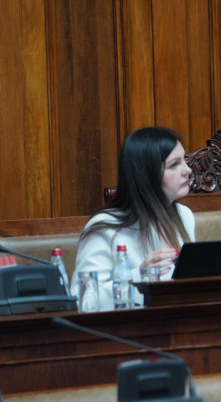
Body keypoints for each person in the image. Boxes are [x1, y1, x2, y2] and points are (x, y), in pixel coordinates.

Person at [72, 126, 196, 310]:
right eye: (174, 165)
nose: (188, 170)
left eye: (184, 160)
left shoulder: (184, 215)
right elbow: (82, 302)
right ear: (146, 175)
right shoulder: (106, 228)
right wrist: (138, 276)